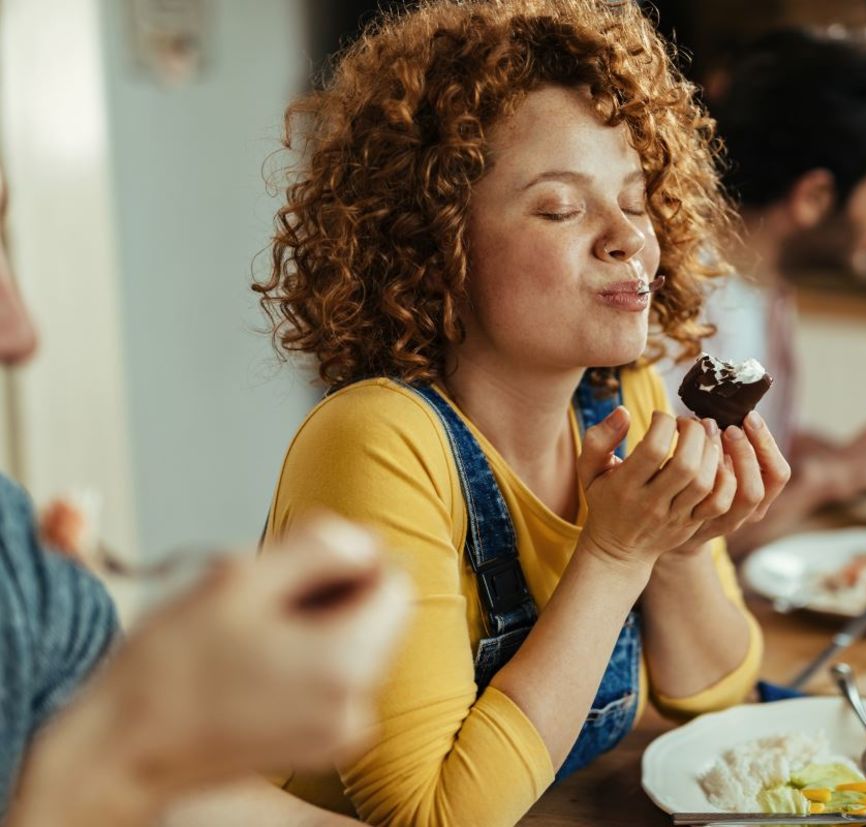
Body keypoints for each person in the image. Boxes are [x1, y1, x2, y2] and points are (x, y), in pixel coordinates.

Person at [253, 1, 786, 824]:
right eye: (561, 209)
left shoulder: (624, 395)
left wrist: (674, 547)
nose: (628, 239)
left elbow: (717, 697)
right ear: (438, 248)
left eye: (636, 200)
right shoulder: (378, 443)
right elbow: (432, 815)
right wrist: (612, 556)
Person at [0, 169, 408, 826]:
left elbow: (194, 807)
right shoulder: (372, 434)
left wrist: (153, 739)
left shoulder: (17, 558)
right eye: (558, 209)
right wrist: (129, 748)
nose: (20, 334)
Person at [661, 26, 866, 551]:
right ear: (815, 196)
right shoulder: (679, 311)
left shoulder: (761, 283)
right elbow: (677, 533)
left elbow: (752, 446)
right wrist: (838, 475)